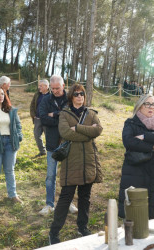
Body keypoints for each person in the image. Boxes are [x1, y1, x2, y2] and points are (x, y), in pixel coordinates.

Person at [49, 84, 103, 244]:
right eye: (76, 94)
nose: (80, 97)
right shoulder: (64, 114)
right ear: (71, 97)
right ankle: (54, 232)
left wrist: (78, 128)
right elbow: (65, 133)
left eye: (82, 94)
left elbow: (98, 130)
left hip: (88, 161)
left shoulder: (91, 113)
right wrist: (87, 133)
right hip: (71, 161)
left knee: (85, 197)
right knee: (66, 197)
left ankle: (82, 227)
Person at [118, 94, 154, 220]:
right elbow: (129, 141)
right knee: (135, 214)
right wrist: (152, 147)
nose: (151, 107)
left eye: (153, 104)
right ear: (140, 106)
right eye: (147, 104)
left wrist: (144, 137)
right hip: (135, 172)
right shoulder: (131, 123)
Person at [38, 75, 78, 215]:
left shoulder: (70, 98)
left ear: (63, 85)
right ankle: (49, 204)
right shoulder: (45, 100)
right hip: (52, 143)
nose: (55, 91)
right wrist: (62, 118)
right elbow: (43, 119)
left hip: (69, 142)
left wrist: (54, 114)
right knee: (50, 175)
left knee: (68, 175)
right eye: (53, 88)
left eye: (57, 88)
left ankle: (68, 202)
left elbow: (74, 117)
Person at [30, 79, 50, 158]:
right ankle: (42, 151)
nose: (39, 87)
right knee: (36, 135)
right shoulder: (37, 94)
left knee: (48, 136)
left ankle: (50, 152)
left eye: (41, 86)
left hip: (47, 120)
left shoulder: (51, 95)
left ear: (46, 86)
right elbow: (32, 105)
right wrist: (33, 115)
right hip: (37, 119)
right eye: (39, 86)